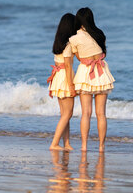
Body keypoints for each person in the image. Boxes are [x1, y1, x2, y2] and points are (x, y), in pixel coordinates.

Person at [70, 8, 115, 152]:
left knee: (86, 114)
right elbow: (104, 54)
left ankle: (84, 146)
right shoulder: (100, 34)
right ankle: (101, 146)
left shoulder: (74, 38)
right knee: (101, 114)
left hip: (86, 73)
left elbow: (79, 58)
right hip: (101, 72)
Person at [48, 13, 77, 151]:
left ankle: (66, 143)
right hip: (65, 78)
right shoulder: (69, 44)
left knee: (64, 114)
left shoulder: (58, 42)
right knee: (68, 114)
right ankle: (54, 143)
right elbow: (68, 66)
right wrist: (72, 86)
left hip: (58, 77)